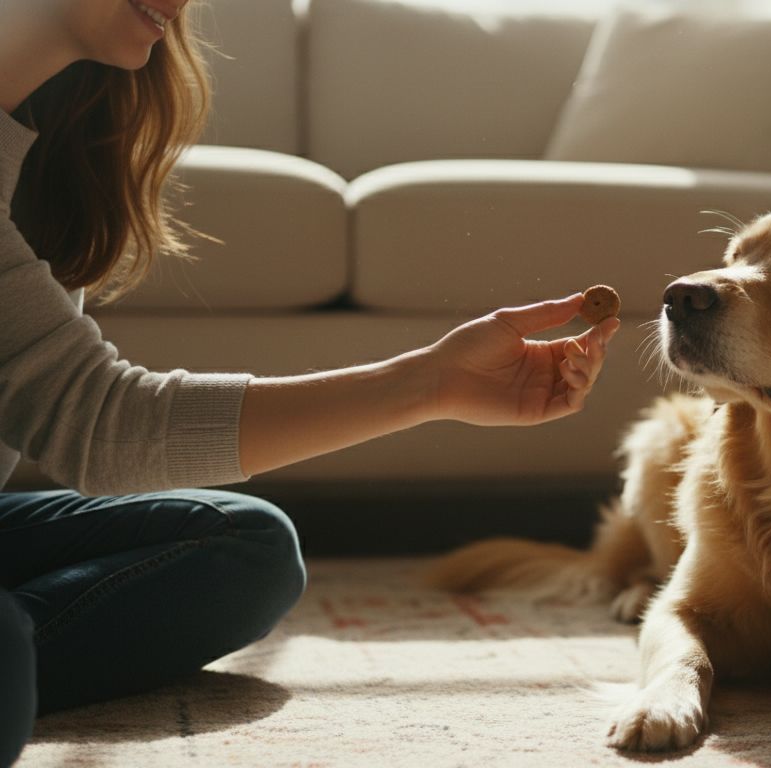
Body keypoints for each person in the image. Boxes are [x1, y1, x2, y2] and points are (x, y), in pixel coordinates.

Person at [0, 1, 621, 764]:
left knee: (246, 547)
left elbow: (77, 412)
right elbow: (103, 425)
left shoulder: (43, 145)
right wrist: (426, 385)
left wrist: (435, 386)